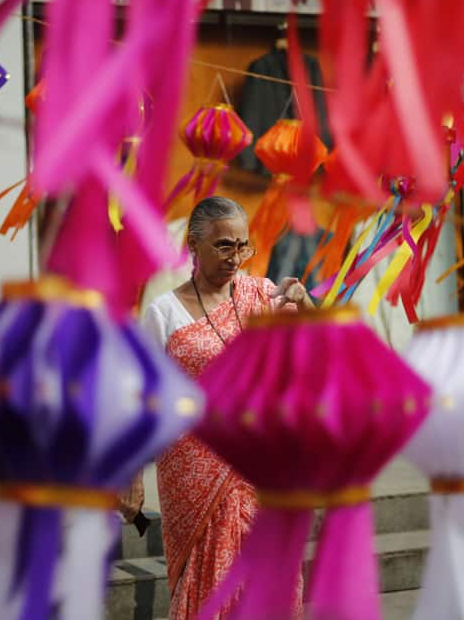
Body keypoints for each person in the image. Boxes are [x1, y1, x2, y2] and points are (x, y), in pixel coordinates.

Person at [141, 196, 314, 619]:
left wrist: (303, 299)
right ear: (193, 245)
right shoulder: (163, 314)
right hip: (194, 472)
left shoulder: (261, 295)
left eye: (242, 246)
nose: (236, 257)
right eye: (223, 246)